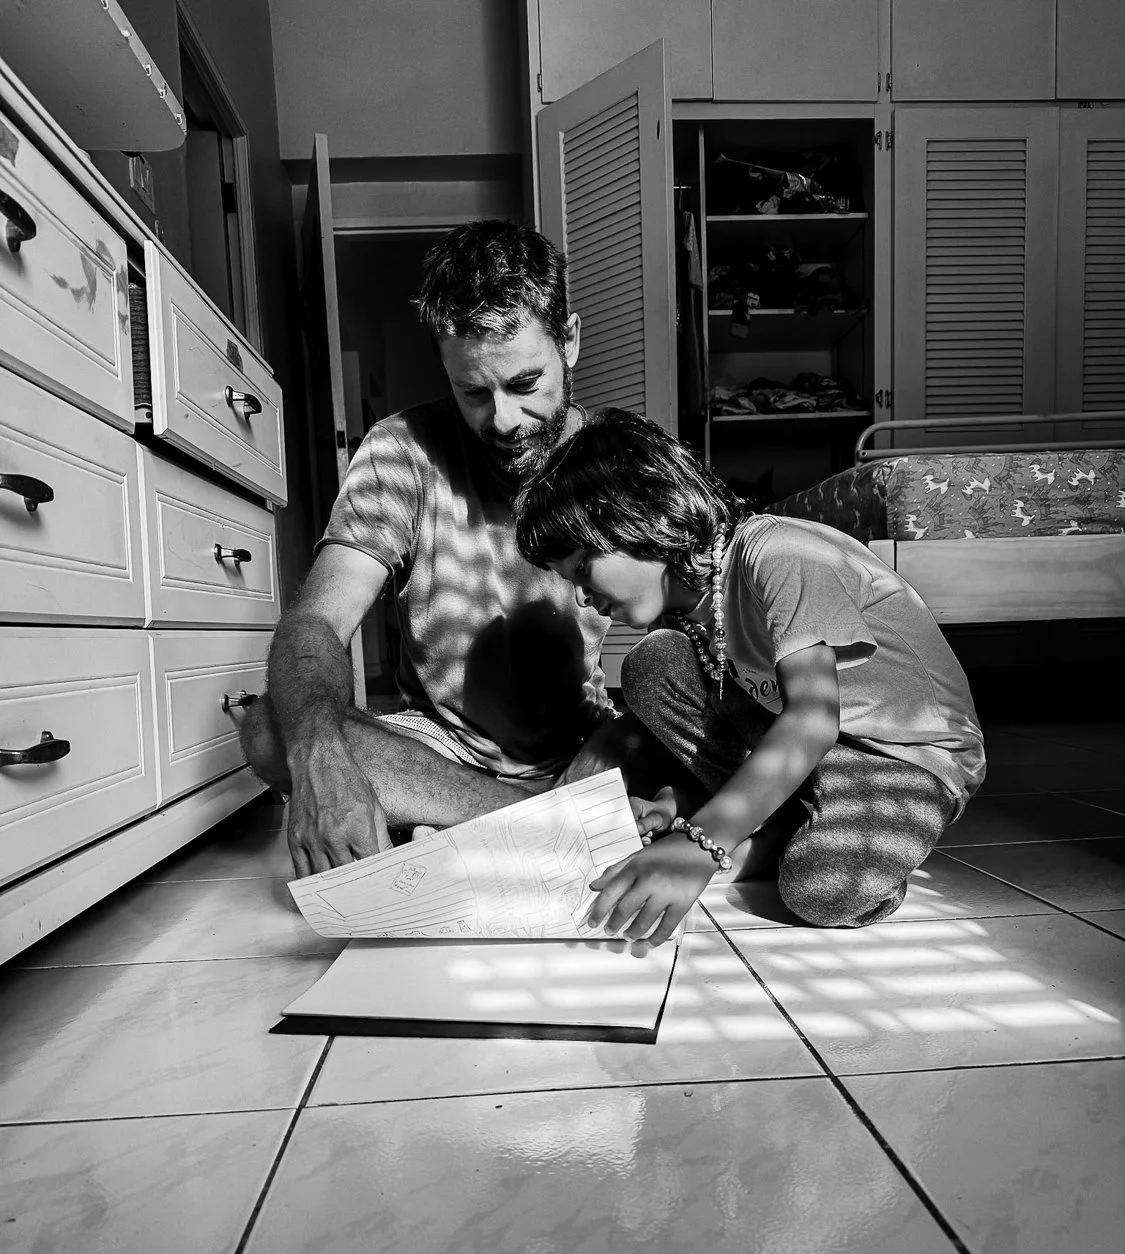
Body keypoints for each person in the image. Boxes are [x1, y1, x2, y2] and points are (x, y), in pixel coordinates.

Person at [241, 221, 666, 877]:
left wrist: (620, 739)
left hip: (586, 742)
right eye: (474, 391)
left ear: (570, 342)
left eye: (525, 384)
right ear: (445, 364)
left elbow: (694, 627)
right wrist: (321, 754)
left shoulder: (617, 456)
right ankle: (531, 819)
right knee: (276, 730)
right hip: (444, 750)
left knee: (674, 697)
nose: (501, 419)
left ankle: (500, 819)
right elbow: (317, 622)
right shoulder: (398, 450)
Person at [514, 407, 987, 946]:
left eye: (582, 568)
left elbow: (811, 720)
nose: (580, 595)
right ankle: (782, 822)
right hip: (807, 750)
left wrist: (700, 842)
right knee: (654, 662)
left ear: (640, 517)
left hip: (903, 755)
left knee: (823, 890)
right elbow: (739, 711)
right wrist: (682, 805)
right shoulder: (694, 608)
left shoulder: (781, 554)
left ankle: (790, 834)